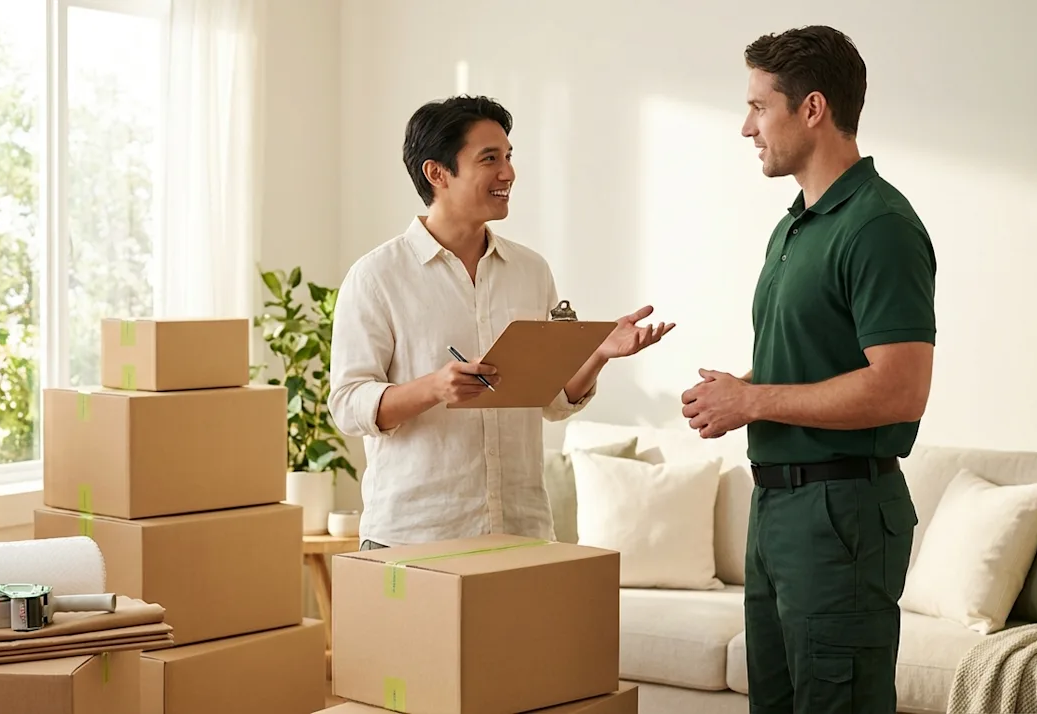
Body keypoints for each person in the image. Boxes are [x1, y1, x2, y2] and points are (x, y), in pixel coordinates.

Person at [680, 26, 936, 714]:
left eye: (760, 106)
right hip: (778, 511)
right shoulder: (796, 224)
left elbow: (902, 388)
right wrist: (733, 397)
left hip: (840, 515)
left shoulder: (878, 225)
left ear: (813, 108)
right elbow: (814, 366)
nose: (746, 127)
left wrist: (754, 400)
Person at [328, 95, 673, 550]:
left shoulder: (530, 271)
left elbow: (551, 401)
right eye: (489, 159)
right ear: (437, 173)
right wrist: (435, 387)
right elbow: (348, 404)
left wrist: (597, 355)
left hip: (520, 530)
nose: (508, 173)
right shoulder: (377, 277)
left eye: (509, 157)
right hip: (415, 536)